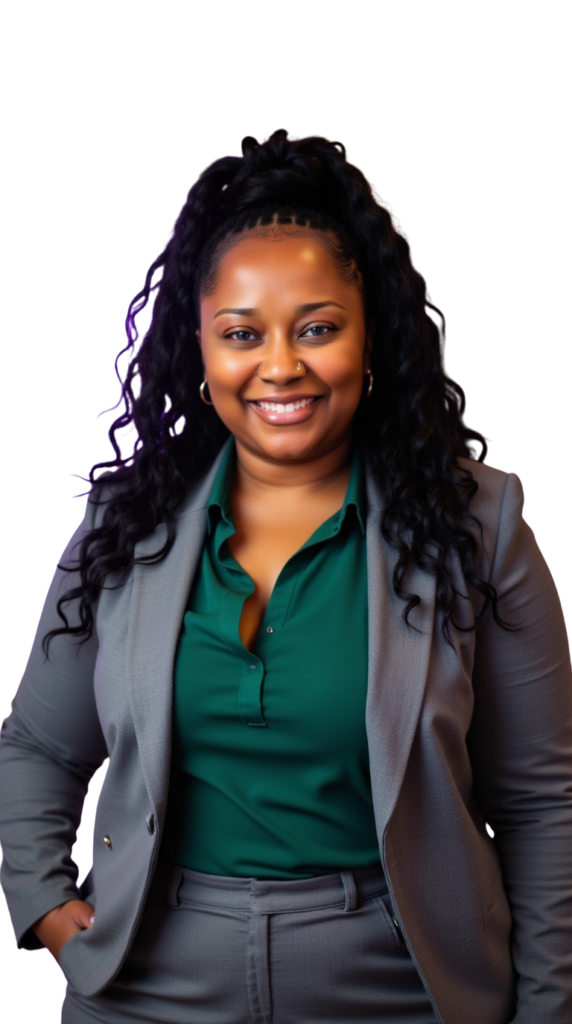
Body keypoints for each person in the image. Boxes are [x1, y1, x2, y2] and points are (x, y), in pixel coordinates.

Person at [0, 128, 570, 1024]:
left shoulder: (480, 528)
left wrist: (546, 1010)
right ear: (201, 351)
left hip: (397, 983)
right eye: (242, 333)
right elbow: (39, 744)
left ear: (369, 338)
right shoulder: (123, 526)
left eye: (317, 328)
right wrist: (40, 899)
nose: (280, 366)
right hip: (148, 982)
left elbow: (541, 805)